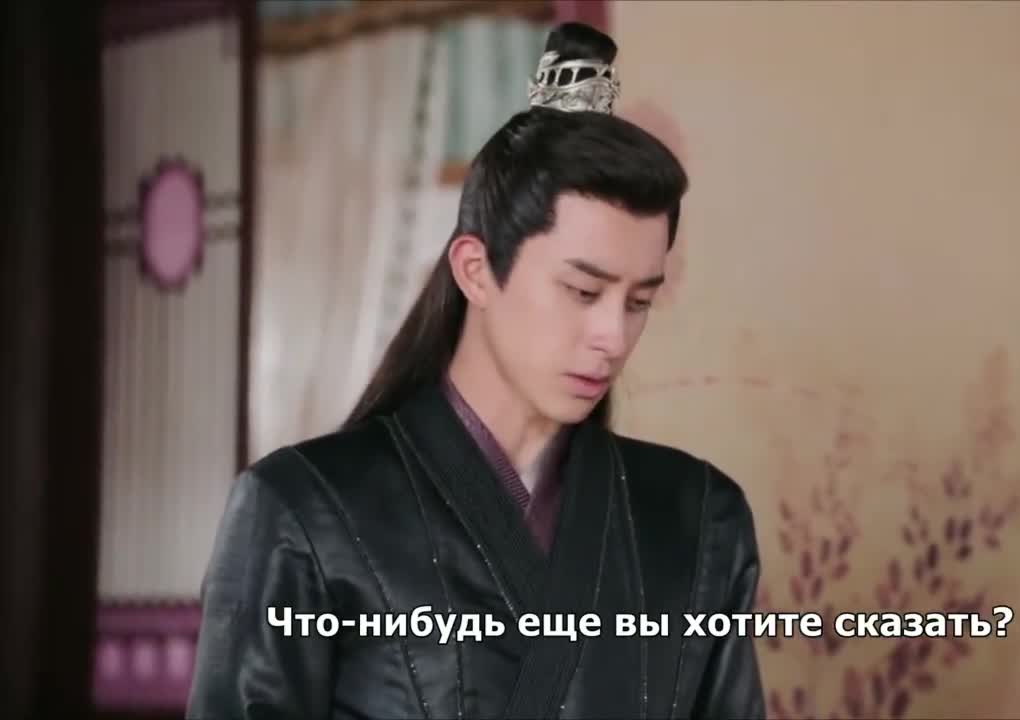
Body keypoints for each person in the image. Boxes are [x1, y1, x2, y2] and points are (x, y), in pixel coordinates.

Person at [187, 21, 765, 720]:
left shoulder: (700, 518)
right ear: (476, 270)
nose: (613, 336)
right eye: (583, 291)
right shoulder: (301, 512)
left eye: (638, 301)